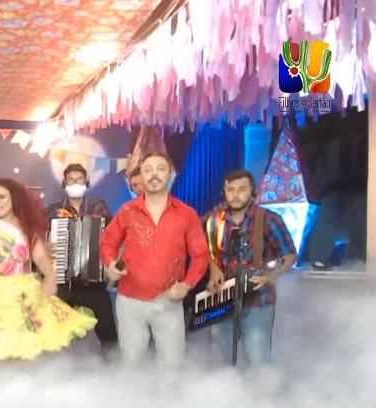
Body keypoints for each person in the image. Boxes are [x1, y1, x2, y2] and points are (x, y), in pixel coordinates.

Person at [0, 178, 97, 361]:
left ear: (13, 199)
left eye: (2, 197)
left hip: (22, 295)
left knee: (20, 350)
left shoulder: (27, 228)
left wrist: (50, 278)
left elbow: (40, 256)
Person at [99, 152, 209, 370]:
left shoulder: (186, 214)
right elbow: (107, 243)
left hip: (169, 302)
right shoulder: (127, 211)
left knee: (173, 364)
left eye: (160, 169)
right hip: (130, 302)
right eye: (148, 170)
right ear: (140, 177)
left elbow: (201, 255)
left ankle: (168, 393)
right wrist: (110, 263)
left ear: (171, 175)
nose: (154, 175)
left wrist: (186, 285)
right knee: (132, 363)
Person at [205, 169, 298, 367]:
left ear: (252, 191)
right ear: (224, 192)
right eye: (231, 190)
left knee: (258, 360)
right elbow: (211, 253)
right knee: (219, 361)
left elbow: (290, 254)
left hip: (258, 299)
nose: (235, 195)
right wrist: (214, 271)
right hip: (223, 298)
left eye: (242, 189)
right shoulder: (215, 221)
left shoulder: (268, 219)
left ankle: (261, 388)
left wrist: (272, 275)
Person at [45, 163, 118, 358]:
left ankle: (112, 365)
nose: (75, 183)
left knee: (107, 329)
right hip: (63, 283)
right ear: (64, 183)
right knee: (56, 333)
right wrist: (45, 247)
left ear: (86, 182)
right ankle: (58, 367)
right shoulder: (52, 211)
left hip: (93, 281)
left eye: (79, 180)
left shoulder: (99, 207)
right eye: (71, 180)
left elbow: (113, 236)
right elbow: (38, 240)